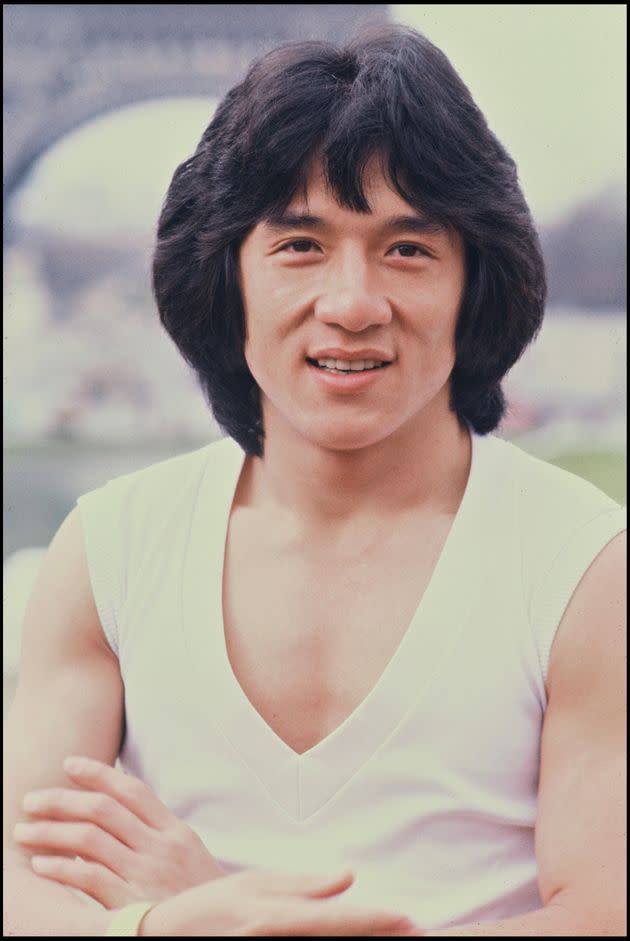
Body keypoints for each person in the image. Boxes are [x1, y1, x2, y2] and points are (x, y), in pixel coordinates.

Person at [4, 20, 626, 938]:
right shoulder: (111, 547)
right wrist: (160, 927)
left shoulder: (585, 570)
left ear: (474, 284)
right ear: (228, 279)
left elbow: (605, 912)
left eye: (407, 250)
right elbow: (20, 880)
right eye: (300, 247)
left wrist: (207, 912)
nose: (351, 304)